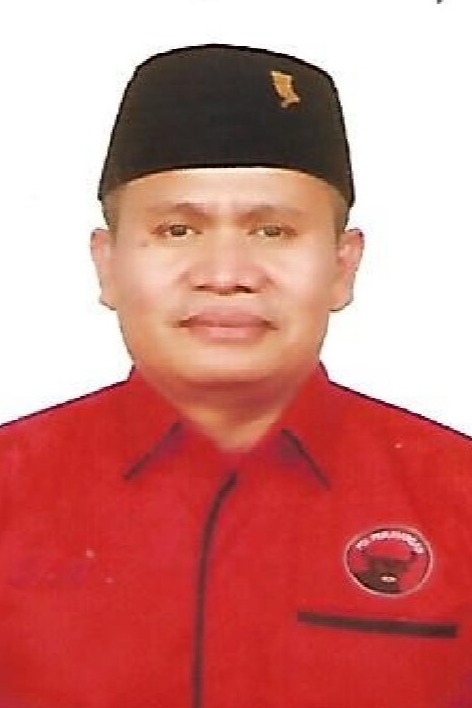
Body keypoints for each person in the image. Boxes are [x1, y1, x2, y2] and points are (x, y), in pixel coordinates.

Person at [0, 43, 471, 708]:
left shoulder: (457, 498)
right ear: (107, 265)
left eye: (273, 232)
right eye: (177, 230)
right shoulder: (10, 491)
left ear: (342, 267)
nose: (225, 274)